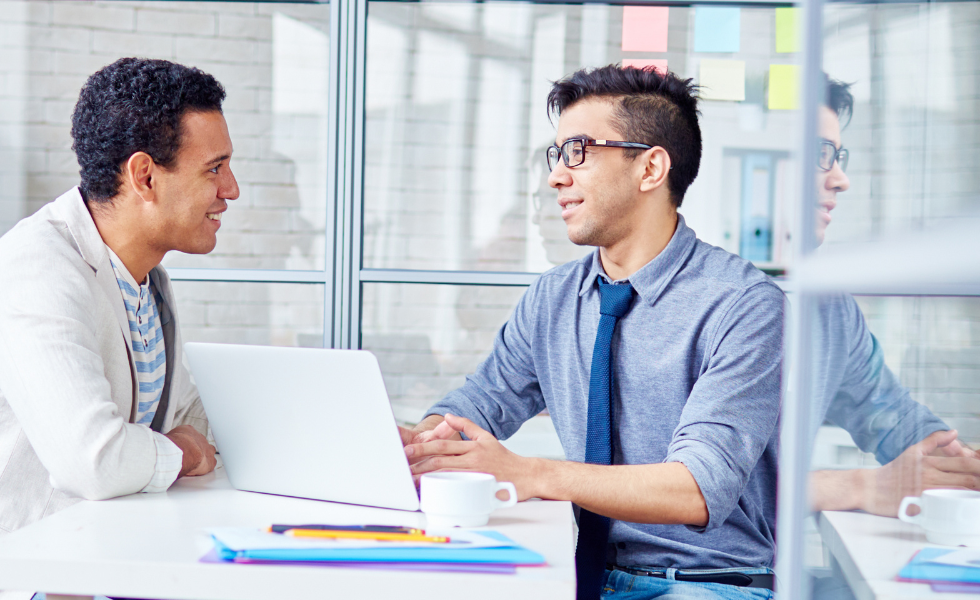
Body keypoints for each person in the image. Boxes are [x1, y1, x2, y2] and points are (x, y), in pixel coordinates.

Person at [401, 65, 784, 600]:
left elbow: (699, 487)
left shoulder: (744, 305)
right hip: (568, 570)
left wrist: (531, 475)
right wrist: (424, 440)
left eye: (577, 151)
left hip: (701, 584)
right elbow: (481, 402)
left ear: (650, 168)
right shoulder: (553, 297)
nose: (556, 175)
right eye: (557, 155)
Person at [0, 58, 237, 600]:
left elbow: (190, 416)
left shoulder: (146, 279)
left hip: (77, 568)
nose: (230, 189)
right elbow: (94, 460)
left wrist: (342, 444)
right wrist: (180, 453)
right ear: (144, 177)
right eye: (215, 168)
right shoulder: (36, 270)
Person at [806, 75, 979, 516]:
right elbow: (686, 484)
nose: (841, 180)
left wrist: (959, 465)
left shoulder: (826, 308)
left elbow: (886, 413)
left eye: (837, 157)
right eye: (821, 155)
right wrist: (864, 487)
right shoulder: (693, 298)